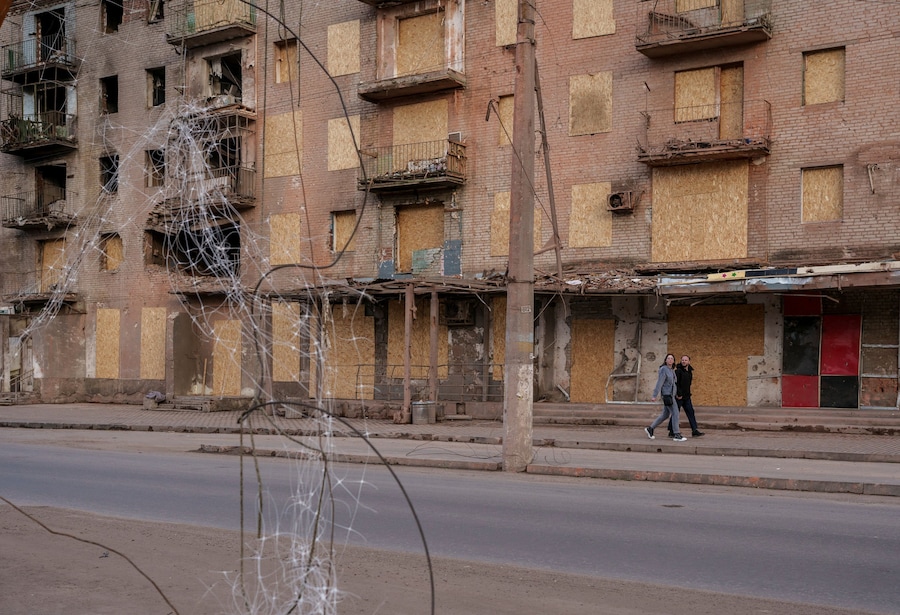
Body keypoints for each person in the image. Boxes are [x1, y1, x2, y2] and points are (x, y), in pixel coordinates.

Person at [644, 353, 686, 442]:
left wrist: (677, 394)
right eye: (668, 358)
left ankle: (650, 428)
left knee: (665, 414)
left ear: (673, 361)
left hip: (672, 395)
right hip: (667, 395)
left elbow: (674, 384)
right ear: (665, 360)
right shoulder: (664, 369)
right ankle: (677, 434)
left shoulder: (672, 370)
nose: (670, 360)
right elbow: (660, 383)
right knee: (675, 413)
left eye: (672, 358)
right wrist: (654, 395)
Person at [669, 355, 704, 437]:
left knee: (691, 412)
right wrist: (678, 394)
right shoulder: (678, 371)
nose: (684, 361)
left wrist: (687, 394)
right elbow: (676, 384)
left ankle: (694, 430)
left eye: (686, 360)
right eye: (682, 360)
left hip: (687, 396)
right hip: (679, 397)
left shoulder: (689, 372)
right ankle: (671, 431)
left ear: (689, 362)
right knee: (675, 413)